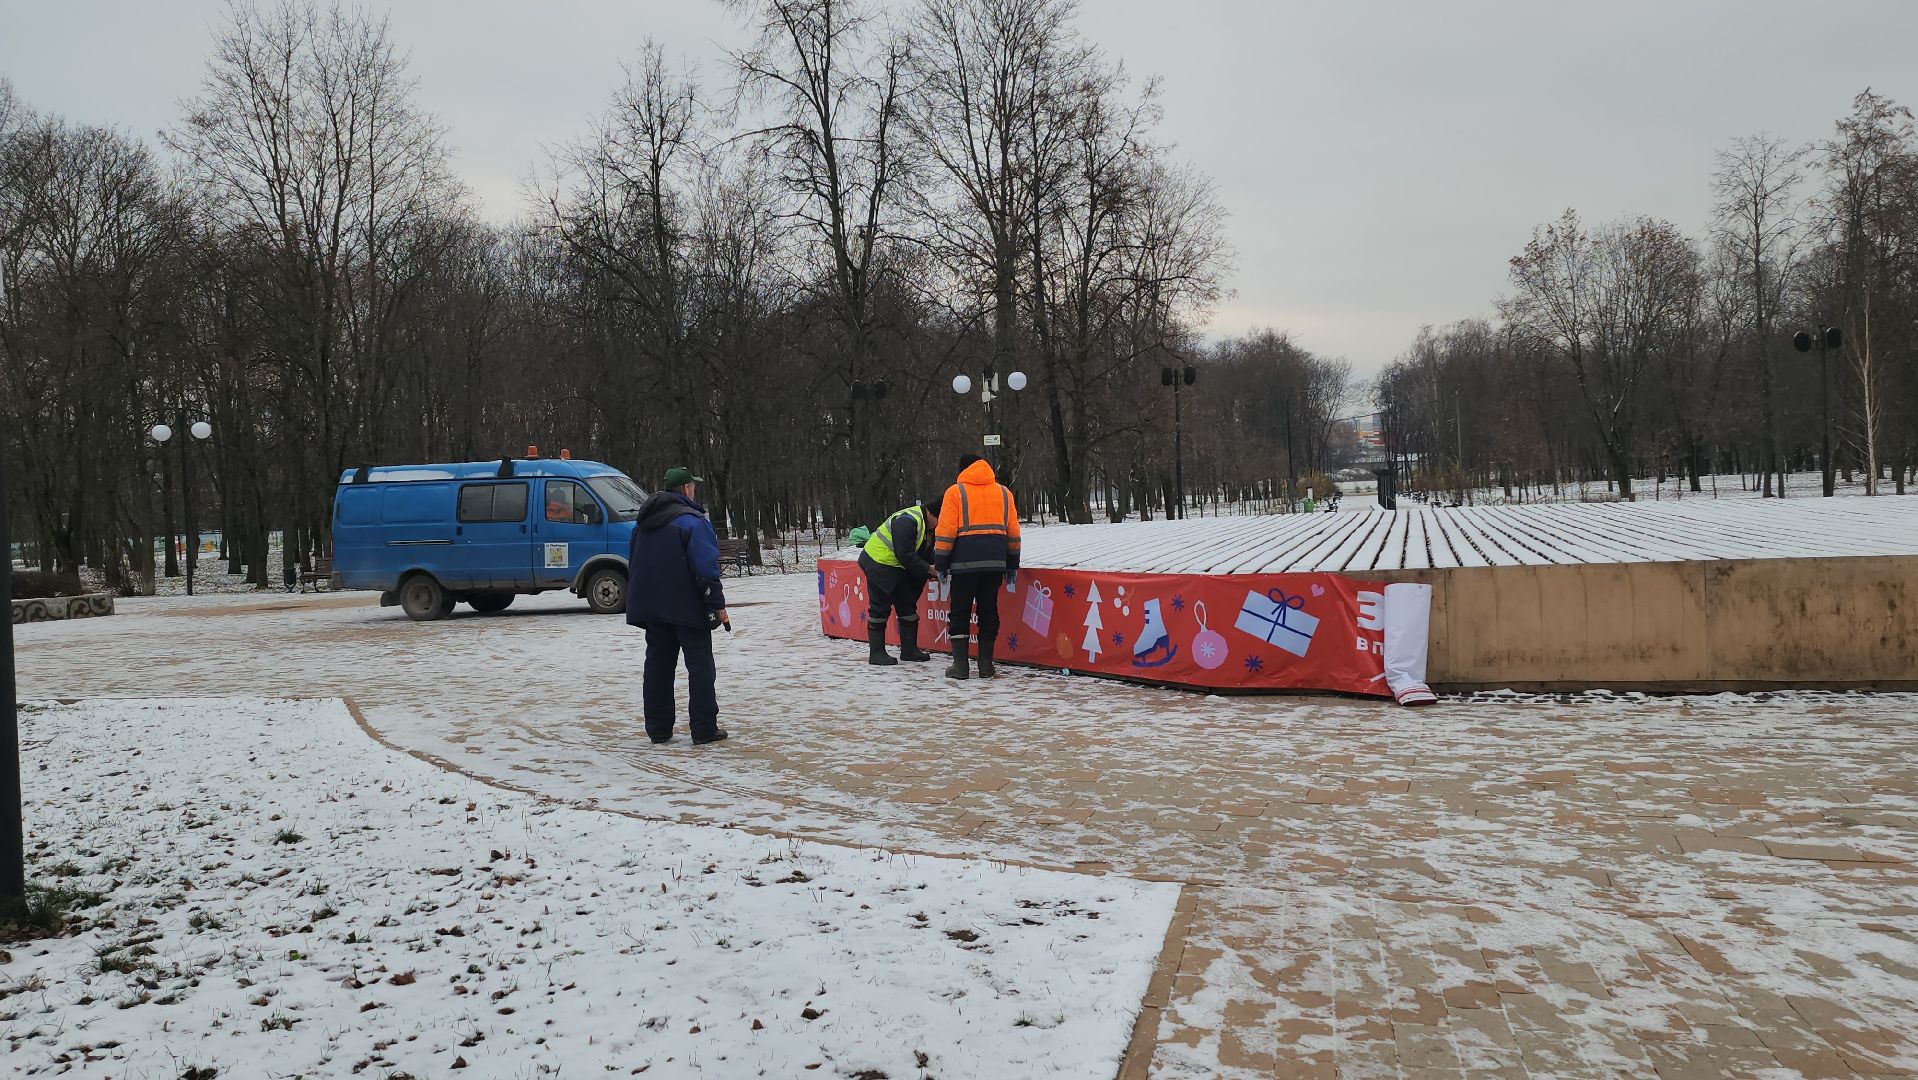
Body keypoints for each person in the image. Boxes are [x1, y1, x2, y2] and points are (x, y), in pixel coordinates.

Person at [625, 466, 730, 745]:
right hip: (687, 607)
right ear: (686, 489)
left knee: (658, 666)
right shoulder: (692, 521)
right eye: (693, 486)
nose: (694, 491)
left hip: (652, 606)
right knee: (700, 666)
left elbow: (634, 561)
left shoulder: (643, 523)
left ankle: (658, 729)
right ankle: (704, 728)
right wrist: (717, 605)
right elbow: (706, 568)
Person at [933, 455, 1022, 680]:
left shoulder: (955, 493)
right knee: (988, 610)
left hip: (964, 565)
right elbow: (1013, 533)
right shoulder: (1004, 493)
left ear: (963, 470)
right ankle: (986, 666)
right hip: (995, 564)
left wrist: (941, 563)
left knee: (960, 612)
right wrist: (1012, 565)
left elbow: (945, 532)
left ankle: (960, 667)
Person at [857, 496, 940, 665]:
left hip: (895, 565)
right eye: (940, 520)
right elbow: (905, 555)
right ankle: (877, 654)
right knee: (880, 607)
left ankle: (909, 650)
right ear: (932, 514)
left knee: (907, 603)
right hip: (878, 562)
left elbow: (922, 554)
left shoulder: (926, 527)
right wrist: (928, 569)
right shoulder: (908, 521)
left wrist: (931, 570)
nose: (940, 525)